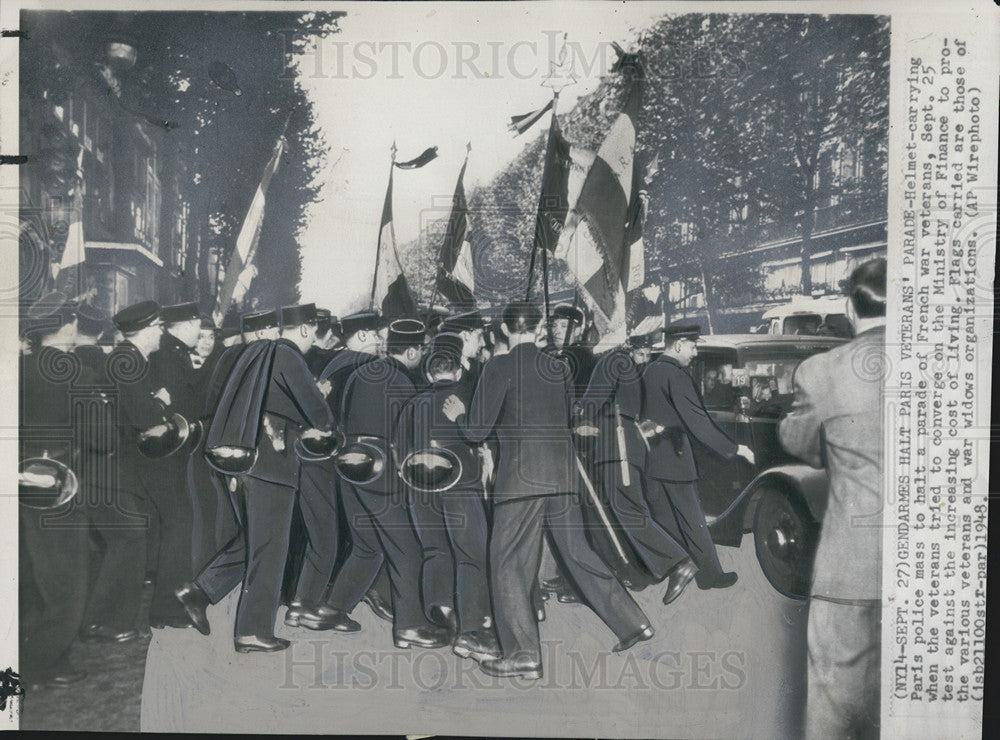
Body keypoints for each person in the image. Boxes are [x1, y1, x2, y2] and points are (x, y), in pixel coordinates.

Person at [443, 301, 653, 680]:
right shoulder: (558, 368)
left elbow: (476, 430)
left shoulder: (498, 367)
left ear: (506, 330)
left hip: (521, 481)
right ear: (538, 326)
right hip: (562, 477)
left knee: (506, 562)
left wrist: (457, 413)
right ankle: (633, 623)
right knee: (578, 554)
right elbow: (567, 416)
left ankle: (523, 655)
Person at [176, 305, 335, 653]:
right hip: (273, 464)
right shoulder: (288, 356)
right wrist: (320, 395)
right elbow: (319, 416)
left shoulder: (256, 353)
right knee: (271, 546)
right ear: (306, 330)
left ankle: (198, 592)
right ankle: (252, 631)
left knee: (256, 539)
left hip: (245, 458)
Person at [778, 258, 886, 738]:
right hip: (934, 571)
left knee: (834, 710)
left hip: (851, 569)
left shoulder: (822, 372)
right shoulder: (949, 366)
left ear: (848, 308)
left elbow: (800, 445)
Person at [322, 318, 450, 649]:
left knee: (367, 546)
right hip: (382, 472)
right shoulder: (403, 384)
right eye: (420, 350)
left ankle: (333, 609)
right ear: (411, 350)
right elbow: (409, 439)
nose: (422, 356)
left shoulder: (358, 374)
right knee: (407, 548)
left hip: (349, 467)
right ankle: (410, 627)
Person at [574, 326, 698, 603]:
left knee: (627, 509)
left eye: (645, 354)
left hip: (617, 445)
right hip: (627, 446)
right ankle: (640, 571)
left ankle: (677, 563)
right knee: (627, 508)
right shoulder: (635, 369)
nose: (644, 359)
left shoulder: (615, 361)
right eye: (642, 353)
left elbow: (592, 402)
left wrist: (576, 415)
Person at [398, 332, 497, 662]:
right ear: (457, 369)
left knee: (435, 551)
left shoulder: (413, 404)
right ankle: (471, 629)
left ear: (428, 372)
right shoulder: (467, 396)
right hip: (460, 487)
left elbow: (400, 452)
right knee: (471, 555)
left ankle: (443, 614)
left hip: (420, 491)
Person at [639, 323, 755, 597]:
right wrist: (735, 449)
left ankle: (677, 569)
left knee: (663, 519)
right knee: (693, 521)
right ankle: (709, 576)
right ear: (678, 345)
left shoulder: (649, 371)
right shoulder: (677, 376)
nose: (694, 353)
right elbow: (698, 421)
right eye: (692, 346)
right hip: (677, 458)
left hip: (651, 459)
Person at [79, 300, 168, 643]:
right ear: (147, 330)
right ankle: (104, 622)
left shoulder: (129, 359)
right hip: (110, 470)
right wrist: (160, 402)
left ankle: (104, 620)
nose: (161, 332)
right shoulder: (127, 360)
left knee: (127, 540)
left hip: (115, 470)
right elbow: (145, 419)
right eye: (158, 327)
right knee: (128, 539)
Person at [146, 302, 203, 628]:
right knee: (178, 528)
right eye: (198, 325)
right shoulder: (170, 355)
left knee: (178, 528)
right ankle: (167, 609)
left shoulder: (172, 351)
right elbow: (183, 402)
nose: (201, 332)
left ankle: (170, 605)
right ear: (186, 324)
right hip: (170, 455)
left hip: (171, 453)